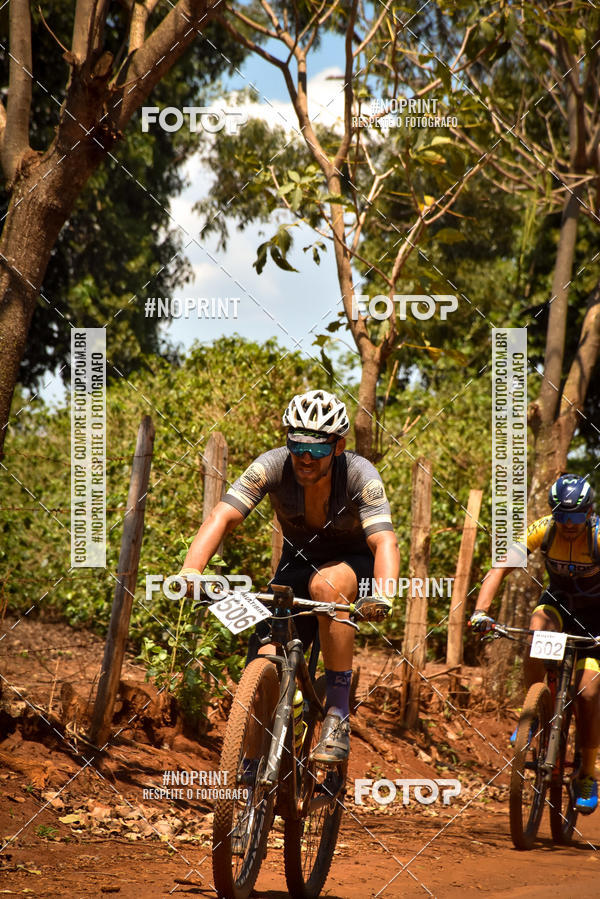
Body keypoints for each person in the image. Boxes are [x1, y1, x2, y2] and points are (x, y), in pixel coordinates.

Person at [179, 389, 400, 764]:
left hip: (352, 564)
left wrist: (383, 595)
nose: (305, 458)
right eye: (297, 445)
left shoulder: (361, 475)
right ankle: (250, 776)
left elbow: (384, 543)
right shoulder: (271, 465)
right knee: (264, 656)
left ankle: (337, 714)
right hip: (296, 563)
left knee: (326, 585)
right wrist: (190, 571)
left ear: (338, 446)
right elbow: (223, 517)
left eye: (316, 450)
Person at [471, 474, 600, 814]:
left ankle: (587, 772)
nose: (568, 525)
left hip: (596, 619)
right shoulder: (545, 528)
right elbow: (500, 568)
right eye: (562, 516)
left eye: (575, 517)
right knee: (537, 631)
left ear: (589, 513)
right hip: (559, 604)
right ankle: (533, 712)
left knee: (588, 693)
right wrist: (481, 611)